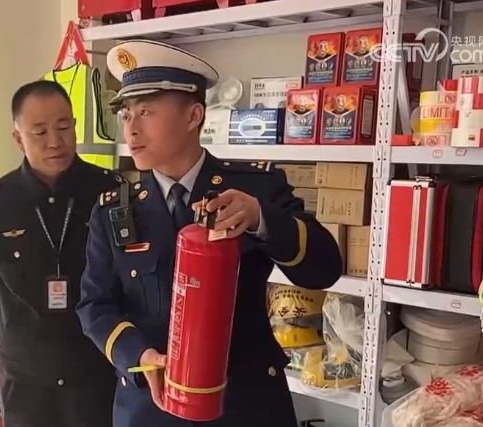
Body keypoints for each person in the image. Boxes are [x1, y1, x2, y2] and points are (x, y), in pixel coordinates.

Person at [76, 40, 344, 427]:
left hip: (244, 405)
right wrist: (138, 356)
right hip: (152, 407)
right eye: (126, 113)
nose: (131, 128)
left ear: (194, 116)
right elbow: (95, 305)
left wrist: (261, 219)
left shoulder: (254, 190)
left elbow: (325, 268)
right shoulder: (113, 209)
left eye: (146, 111)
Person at [0, 80, 121, 427]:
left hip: (95, 374)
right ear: (18, 138)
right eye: (39, 131)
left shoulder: (111, 193)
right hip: (27, 383)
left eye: (64, 127)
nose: (55, 141)